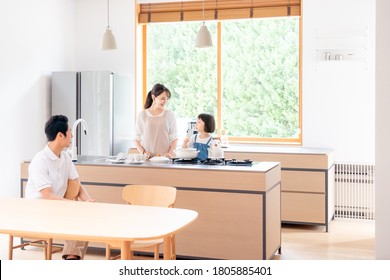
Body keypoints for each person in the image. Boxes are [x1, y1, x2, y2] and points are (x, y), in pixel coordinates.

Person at [25, 115, 95, 260]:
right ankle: (71, 257)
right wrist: (72, 206)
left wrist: (88, 201)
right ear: (60, 135)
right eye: (70, 132)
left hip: (57, 208)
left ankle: (71, 256)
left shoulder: (65, 158)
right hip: (39, 210)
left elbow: (77, 184)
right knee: (77, 216)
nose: (72, 135)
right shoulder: (40, 160)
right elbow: (47, 195)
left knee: (86, 216)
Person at [134, 83, 178, 158]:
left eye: (167, 99)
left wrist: (169, 154)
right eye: (163, 98)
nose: (165, 101)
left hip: (165, 159)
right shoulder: (142, 115)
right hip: (147, 160)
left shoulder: (169, 115)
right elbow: (136, 139)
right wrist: (143, 152)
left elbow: (175, 139)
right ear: (153, 97)